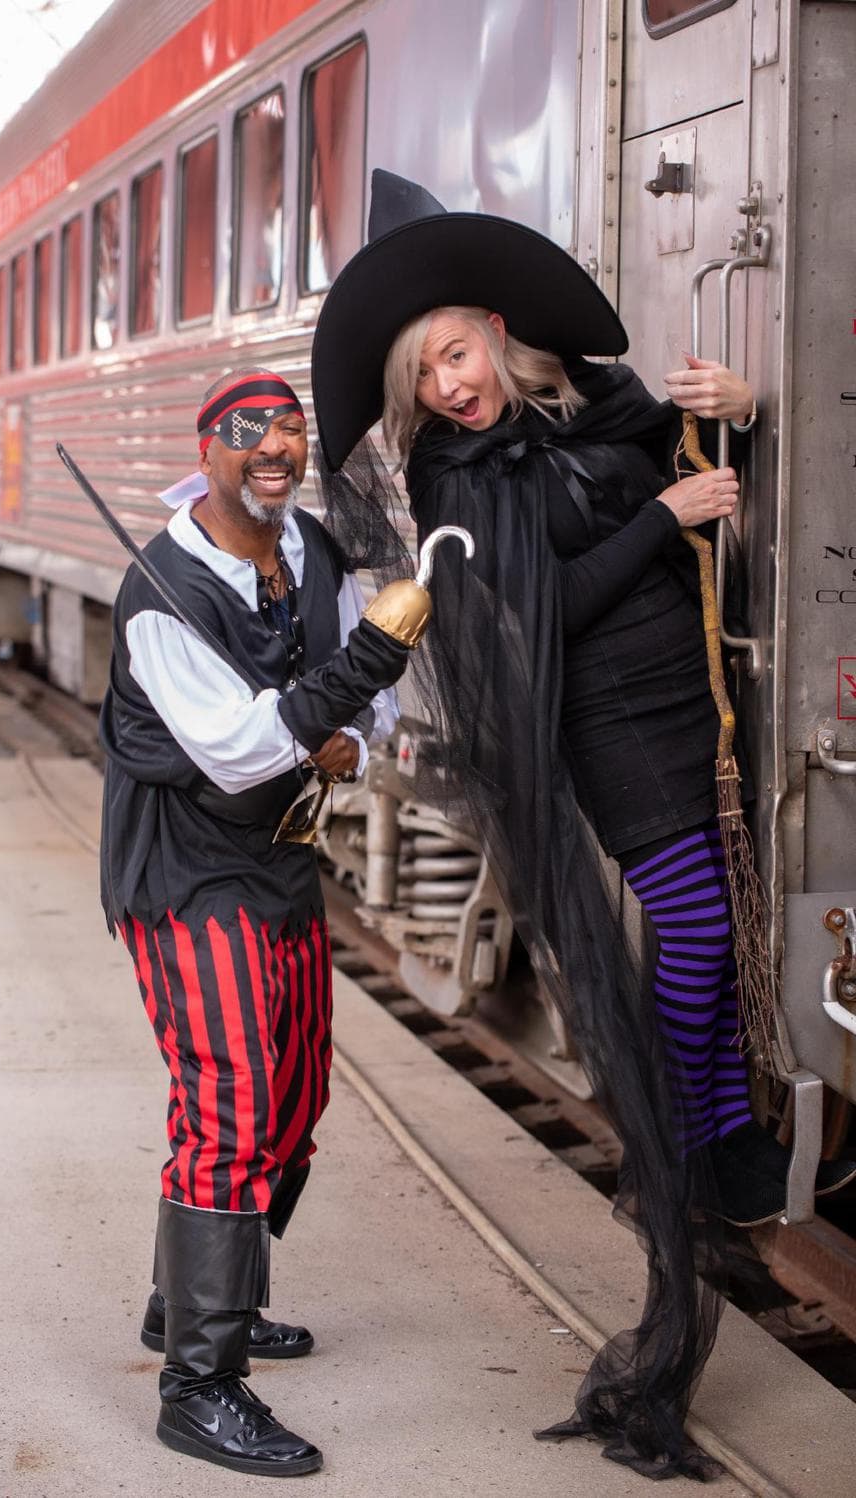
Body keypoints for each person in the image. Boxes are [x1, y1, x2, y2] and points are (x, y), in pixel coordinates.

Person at [310, 171, 855, 1480]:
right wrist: (665, 516)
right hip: (607, 728)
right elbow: (535, 607)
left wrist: (732, 418)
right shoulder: (453, 477)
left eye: (453, 353)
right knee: (692, 927)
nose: (446, 386)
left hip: (694, 708)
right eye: (421, 372)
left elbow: (679, 457)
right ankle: (690, 1135)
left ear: (493, 330)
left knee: (721, 930)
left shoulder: (589, 401)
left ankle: (720, 1143)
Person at [98, 367, 408, 1476]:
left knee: (295, 1093)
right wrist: (369, 658)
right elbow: (235, 755)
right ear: (208, 448)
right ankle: (200, 1383)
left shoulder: (311, 548)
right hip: (187, 871)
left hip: (278, 860)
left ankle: (185, 1302)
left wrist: (351, 731)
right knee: (227, 1102)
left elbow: (347, 710)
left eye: (289, 432)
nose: (274, 449)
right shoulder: (160, 590)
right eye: (249, 434)